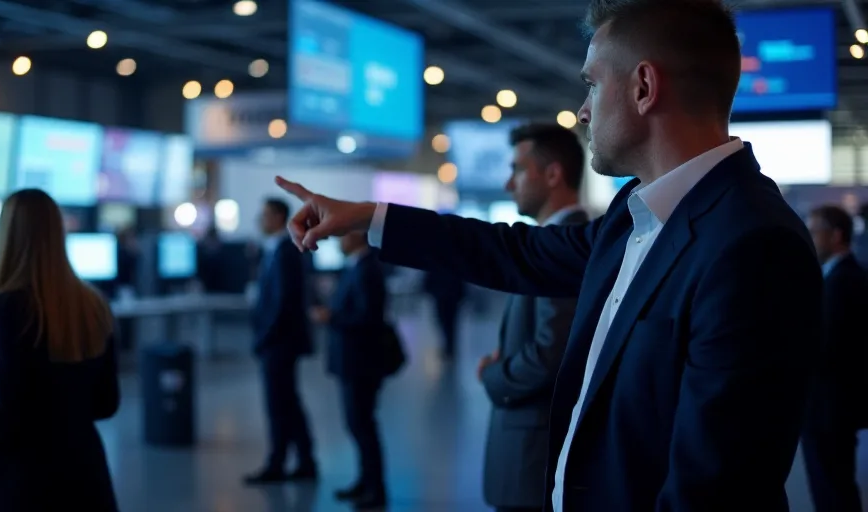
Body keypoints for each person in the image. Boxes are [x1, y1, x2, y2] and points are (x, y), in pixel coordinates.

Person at [273, 0, 823, 509]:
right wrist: (370, 217)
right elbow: (517, 251)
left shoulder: (754, 244)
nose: (582, 112)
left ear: (643, 87)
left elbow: (715, 487)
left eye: (591, 85)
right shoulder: (636, 213)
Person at [0, 189, 120, 512]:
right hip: (84, 477)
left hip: (22, 485)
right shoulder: (94, 305)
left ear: (5, 237)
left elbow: (2, 421)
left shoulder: (6, 309)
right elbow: (106, 403)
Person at [478, 124, 588, 512]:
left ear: (553, 174)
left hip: (534, 453)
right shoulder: (556, 240)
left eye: (519, 170)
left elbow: (550, 354)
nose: (509, 184)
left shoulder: (563, 246)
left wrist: (493, 374)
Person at [311, 231, 389, 509]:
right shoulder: (356, 267)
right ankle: (365, 481)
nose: (340, 241)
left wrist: (331, 317)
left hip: (361, 362)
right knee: (358, 424)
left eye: (344, 236)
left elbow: (368, 317)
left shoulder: (367, 270)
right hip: (353, 360)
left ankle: (375, 489)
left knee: (362, 424)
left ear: (357, 236)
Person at [244, 198, 318, 484]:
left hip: (279, 342)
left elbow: (282, 303)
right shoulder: (275, 250)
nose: (260, 220)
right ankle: (304, 460)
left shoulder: (286, 251)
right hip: (279, 341)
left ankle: (278, 463)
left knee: (279, 404)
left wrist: (264, 337)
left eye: (264, 214)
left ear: (277, 217)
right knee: (287, 402)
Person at [803, 205, 868, 512]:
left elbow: (826, 347)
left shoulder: (845, 281)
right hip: (830, 407)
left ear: (837, 235)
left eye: (815, 231)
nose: (810, 238)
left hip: (830, 409)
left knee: (832, 491)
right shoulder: (841, 276)